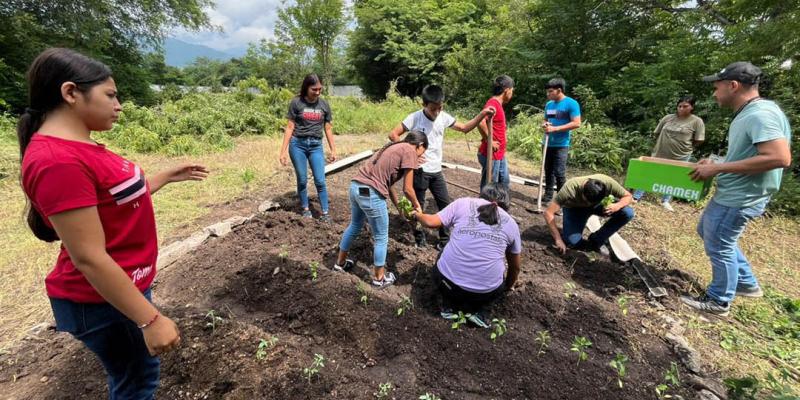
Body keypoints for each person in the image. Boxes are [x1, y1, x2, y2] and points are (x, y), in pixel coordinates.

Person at [18, 48, 209, 399]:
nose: (119, 104)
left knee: (134, 377)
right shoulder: (58, 162)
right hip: (100, 299)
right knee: (137, 383)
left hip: (120, 288)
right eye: (110, 95)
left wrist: (163, 177)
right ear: (71, 92)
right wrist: (150, 320)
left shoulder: (79, 147)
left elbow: (111, 199)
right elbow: (89, 256)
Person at [681, 62, 792, 316]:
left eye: (717, 86)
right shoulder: (754, 112)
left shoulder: (759, 115)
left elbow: (779, 157)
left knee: (719, 243)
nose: (714, 92)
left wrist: (718, 170)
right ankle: (745, 283)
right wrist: (718, 162)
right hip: (738, 192)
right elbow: (751, 153)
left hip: (741, 196)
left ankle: (718, 300)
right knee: (710, 232)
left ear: (733, 85)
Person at [389, 84, 495, 249]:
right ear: (424, 105)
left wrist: (482, 114)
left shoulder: (443, 117)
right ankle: (419, 237)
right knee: (418, 205)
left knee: (445, 204)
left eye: (440, 108)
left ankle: (445, 240)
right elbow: (393, 134)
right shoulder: (415, 117)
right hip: (419, 171)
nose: (437, 112)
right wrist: (409, 154)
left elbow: (465, 128)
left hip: (436, 170)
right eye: (433, 109)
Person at [412, 183, 521, 328]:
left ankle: (448, 307)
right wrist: (506, 288)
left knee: (443, 252)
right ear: (506, 204)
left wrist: (417, 215)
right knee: (498, 273)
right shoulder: (512, 224)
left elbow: (431, 222)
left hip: (448, 284)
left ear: (482, 195)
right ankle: (480, 312)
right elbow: (515, 267)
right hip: (484, 294)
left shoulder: (463, 203)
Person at [332, 131, 428, 288]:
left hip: (356, 188)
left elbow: (387, 184)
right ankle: (379, 279)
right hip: (371, 194)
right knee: (382, 236)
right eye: (422, 152)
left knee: (355, 225)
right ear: (420, 145)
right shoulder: (410, 150)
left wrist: (398, 207)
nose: (419, 157)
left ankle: (339, 263)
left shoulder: (393, 147)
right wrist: (417, 206)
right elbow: (408, 189)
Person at [279, 74, 337, 221]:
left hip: (316, 145)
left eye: (319, 89)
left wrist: (333, 149)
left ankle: (325, 213)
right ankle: (305, 209)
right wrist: (283, 151)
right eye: (314, 89)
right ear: (306, 87)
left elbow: (328, 128)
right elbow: (290, 127)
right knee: (303, 179)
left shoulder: (324, 105)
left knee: (320, 180)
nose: (317, 92)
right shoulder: (296, 103)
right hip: (297, 144)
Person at [633, 96, 705, 211]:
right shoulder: (668, 118)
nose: (681, 108)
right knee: (649, 173)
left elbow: (699, 139)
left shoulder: (697, 121)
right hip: (660, 152)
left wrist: (686, 146)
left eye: (685, 106)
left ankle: (665, 200)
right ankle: (636, 197)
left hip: (681, 155)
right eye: (679, 106)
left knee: (673, 178)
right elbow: (656, 132)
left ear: (692, 107)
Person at [543, 175, 634, 255]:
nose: (589, 204)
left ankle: (596, 240)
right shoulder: (570, 188)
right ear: (582, 191)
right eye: (587, 201)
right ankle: (573, 233)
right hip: (575, 209)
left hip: (598, 206)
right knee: (572, 242)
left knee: (627, 213)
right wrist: (558, 239)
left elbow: (628, 196)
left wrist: (617, 206)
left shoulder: (607, 182)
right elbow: (548, 213)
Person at [541, 78, 581, 204]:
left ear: (559, 90)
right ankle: (548, 196)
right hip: (547, 143)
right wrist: (545, 124)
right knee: (548, 170)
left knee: (559, 173)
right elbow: (545, 119)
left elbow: (576, 123)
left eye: (550, 92)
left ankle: (562, 200)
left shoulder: (571, 103)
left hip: (561, 144)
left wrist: (555, 129)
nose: (548, 95)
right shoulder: (549, 104)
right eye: (547, 92)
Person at [477, 75, 515, 191]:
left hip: (499, 154)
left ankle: (500, 205)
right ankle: (483, 206)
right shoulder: (493, 103)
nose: (512, 94)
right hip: (491, 154)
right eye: (512, 90)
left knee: (504, 182)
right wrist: (490, 141)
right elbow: (481, 122)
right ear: (506, 90)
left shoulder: (497, 104)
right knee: (489, 186)